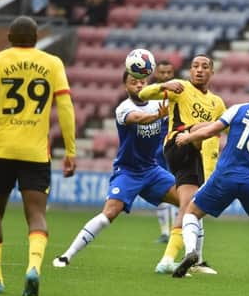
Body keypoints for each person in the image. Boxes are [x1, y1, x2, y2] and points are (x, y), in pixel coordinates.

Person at [0, 16, 77, 296]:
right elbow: (65, 106)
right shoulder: (52, 63)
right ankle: (34, 268)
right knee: (36, 214)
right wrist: (70, 150)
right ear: (37, 37)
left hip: (3, 150)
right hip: (36, 153)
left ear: (9, 36)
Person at [52, 72, 180, 267]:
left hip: (152, 170)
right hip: (128, 172)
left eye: (142, 82)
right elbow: (138, 118)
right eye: (133, 82)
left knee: (191, 203)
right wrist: (157, 115)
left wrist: (169, 85)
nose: (138, 85)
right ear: (125, 87)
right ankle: (66, 256)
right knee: (109, 214)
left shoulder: (157, 103)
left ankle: (193, 260)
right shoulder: (124, 108)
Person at [172, 74, 249, 281]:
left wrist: (188, 137)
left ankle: (191, 252)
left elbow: (212, 131)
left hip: (225, 175)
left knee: (191, 213)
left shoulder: (239, 109)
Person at [139, 55, 226, 275]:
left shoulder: (217, 102)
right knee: (203, 127)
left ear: (212, 73)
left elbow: (225, 129)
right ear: (189, 70)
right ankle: (193, 259)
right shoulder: (182, 88)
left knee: (189, 209)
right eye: (195, 66)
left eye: (205, 67)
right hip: (177, 143)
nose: (199, 70)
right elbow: (143, 94)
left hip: (195, 158)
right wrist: (163, 85)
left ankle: (169, 260)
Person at [152, 60, 178, 243]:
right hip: (154, 151)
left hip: (174, 149)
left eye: (169, 72)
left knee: (178, 189)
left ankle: (176, 230)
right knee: (161, 192)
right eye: (162, 73)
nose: (166, 76)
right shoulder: (151, 96)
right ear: (156, 74)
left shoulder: (179, 95)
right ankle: (164, 232)